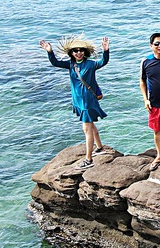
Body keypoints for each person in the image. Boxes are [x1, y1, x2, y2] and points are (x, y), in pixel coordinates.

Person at [39, 34, 110, 169]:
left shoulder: (90, 64)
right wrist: (50, 51)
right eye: (75, 50)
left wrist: (106, 50)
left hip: (88, 101)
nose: (78, 53)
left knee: (86, 128)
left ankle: (88, 160)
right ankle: (99, 147)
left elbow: (103, 62)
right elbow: (55, 62)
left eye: (81, 50)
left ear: (85, 52)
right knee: (90, 126)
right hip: (78, 100)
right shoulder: (70, 64)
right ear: (71, 53)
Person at [139, 32, 160, 171]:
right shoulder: (146, 62)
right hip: (155, 103)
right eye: (157, 44)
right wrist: (145, 99)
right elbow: (142, 81)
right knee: (157, 130)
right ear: (151, 46)